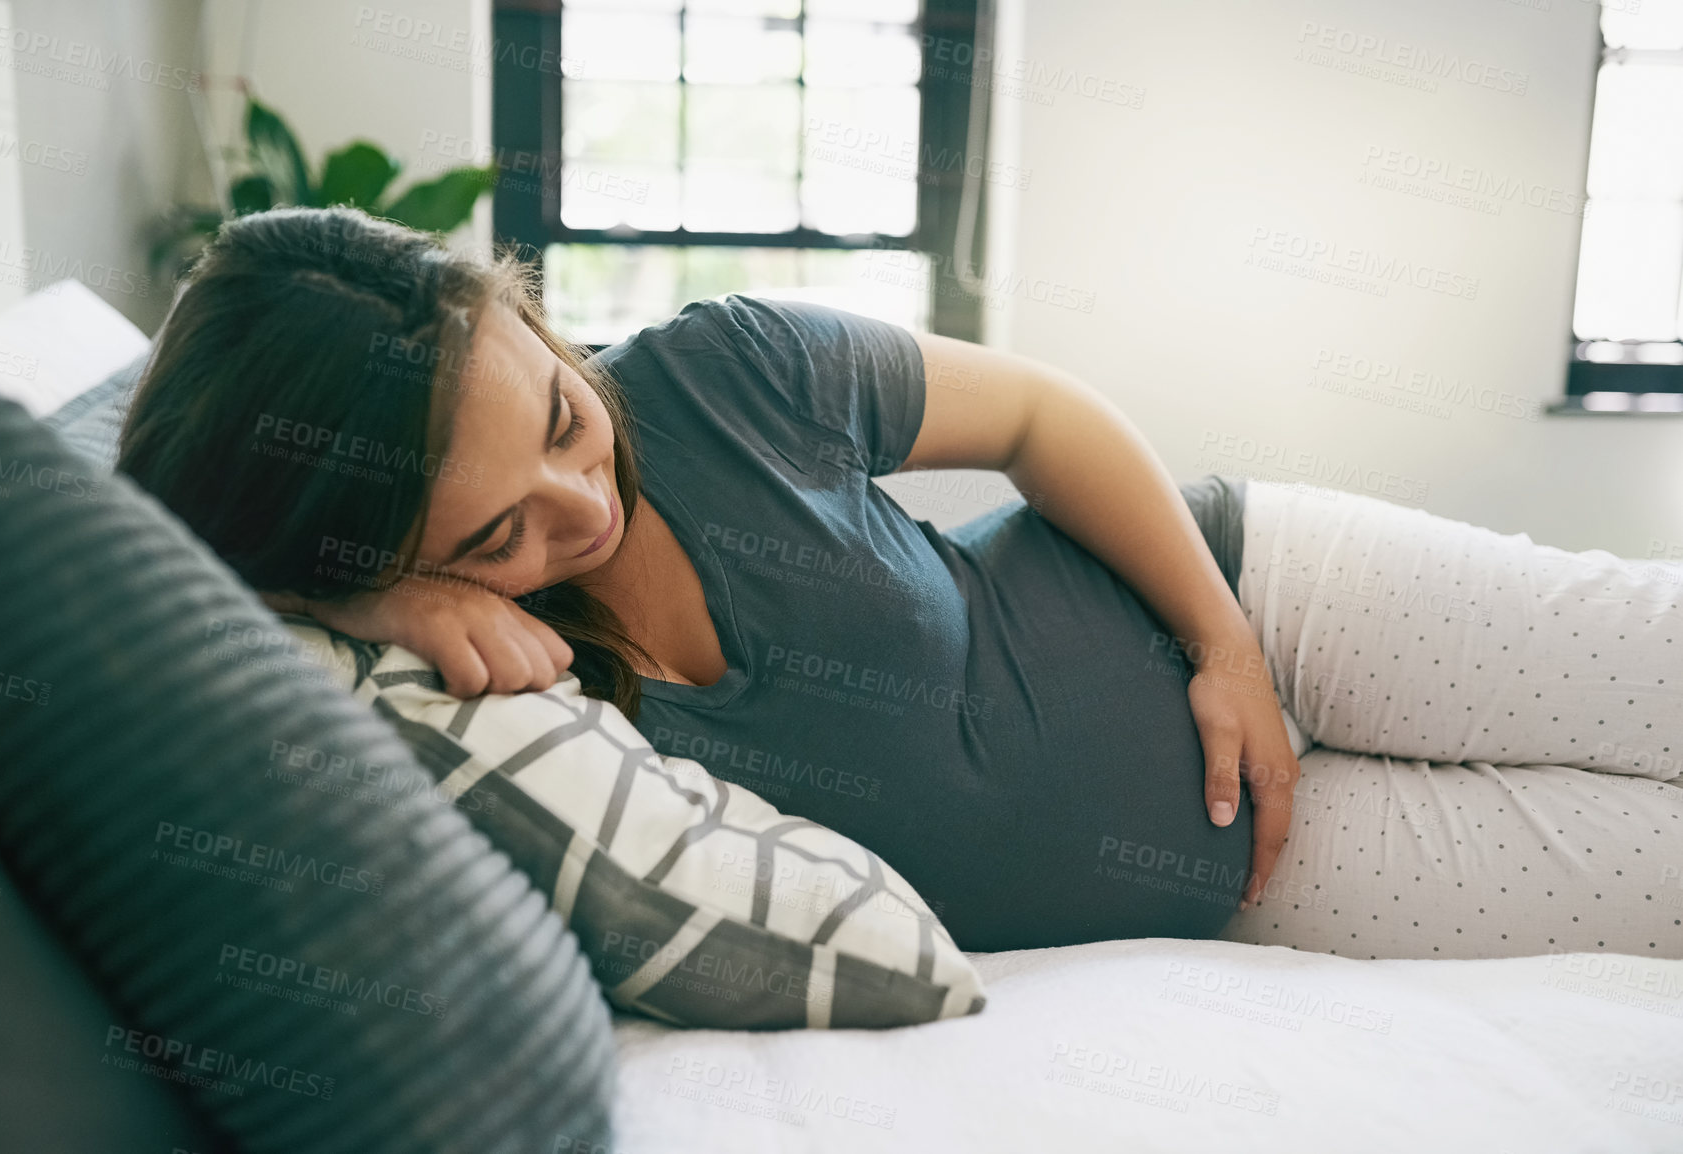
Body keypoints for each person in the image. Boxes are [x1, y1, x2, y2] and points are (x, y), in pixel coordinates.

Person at [117, 207, 1682, 957]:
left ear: (531, 318)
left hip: (1264, 593)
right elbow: (159, 607)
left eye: (556, 419)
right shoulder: (478, 681)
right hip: (1246, 868)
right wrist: (358, 605)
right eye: (486, 539)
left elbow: (1041, 416)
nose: (574, 504)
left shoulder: (721, 370)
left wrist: (1221, 643)